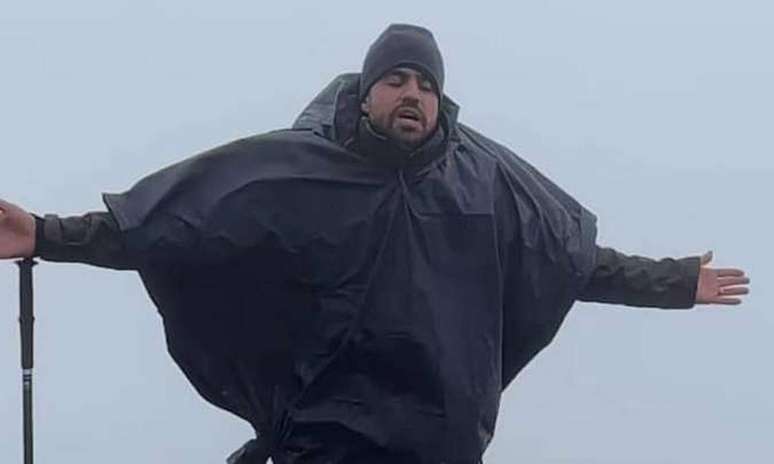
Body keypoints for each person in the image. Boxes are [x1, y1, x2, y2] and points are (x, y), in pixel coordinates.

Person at [0, 24, 750, 464]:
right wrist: (46, 234)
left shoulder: (485, 185)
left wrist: (676, 283)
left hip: (438, 446)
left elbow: (573, 260)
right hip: (324, 440)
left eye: (425, 84)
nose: (413, 95)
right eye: (396, 80)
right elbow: (172, 224)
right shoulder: (293, 172)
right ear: (365, 93)